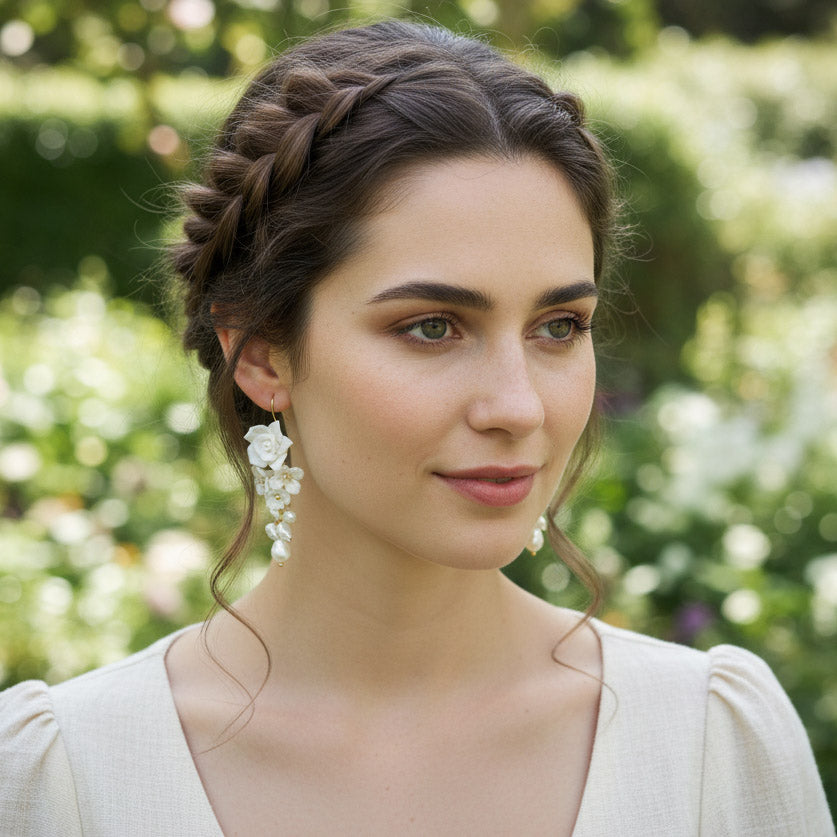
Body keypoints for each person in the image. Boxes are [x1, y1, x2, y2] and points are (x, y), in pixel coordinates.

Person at [0, 19, 833, 837]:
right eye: (432, 326)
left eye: (557, 327)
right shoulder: (68, 776)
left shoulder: (709, 746)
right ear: (259, 353)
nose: (517, 407)